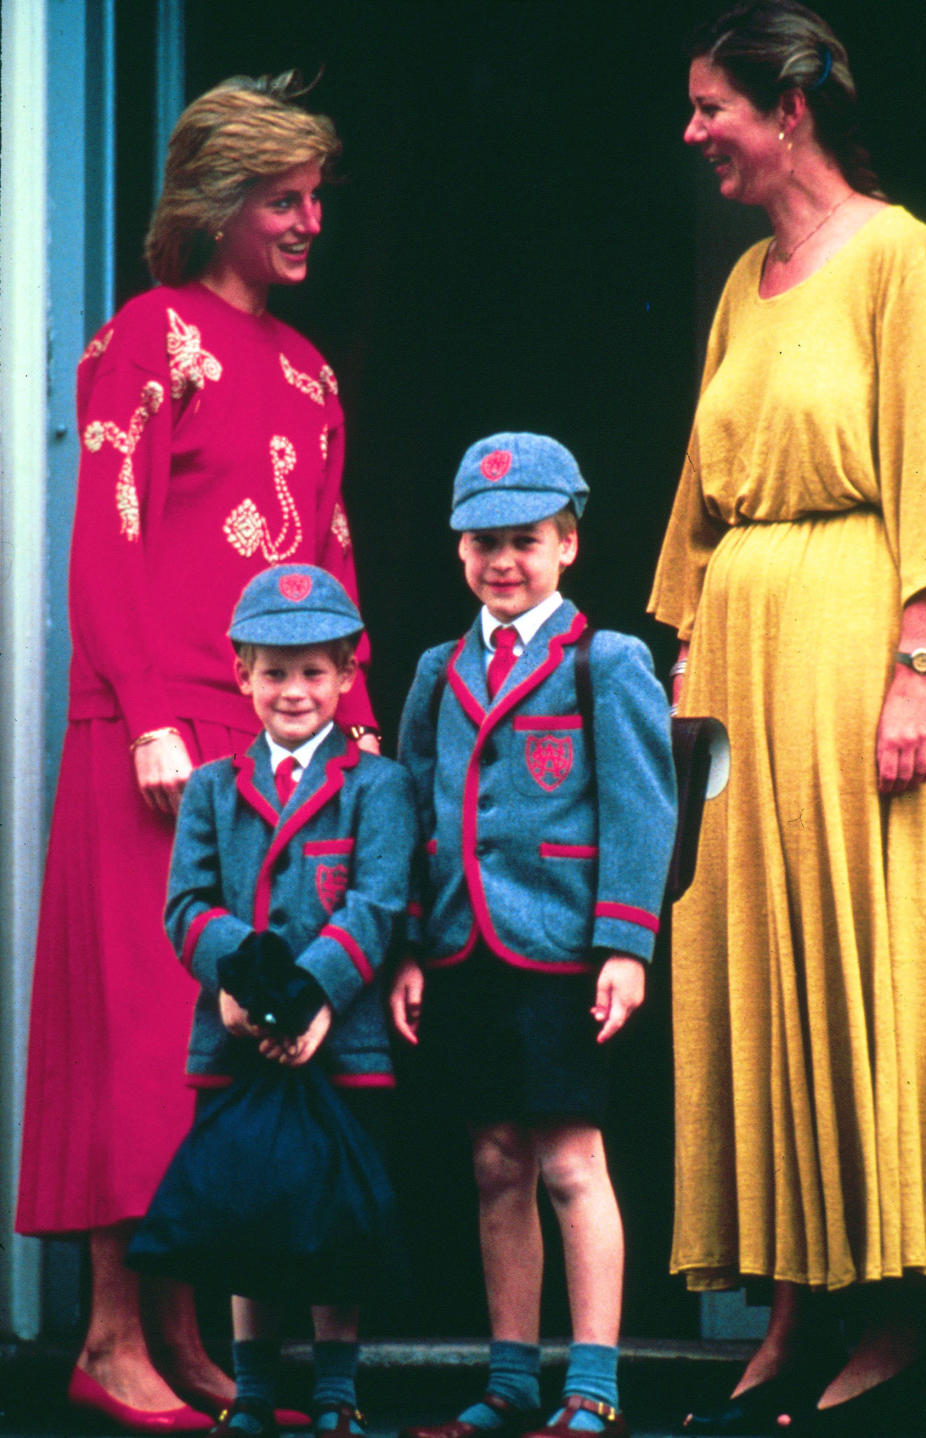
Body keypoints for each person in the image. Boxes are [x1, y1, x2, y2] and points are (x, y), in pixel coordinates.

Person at [16, 73, 380, 1432]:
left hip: (264, 740)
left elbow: (330, 558)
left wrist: (354, 725)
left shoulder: (310, 371)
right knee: (131, 1023)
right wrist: (149, 714)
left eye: (315, 198)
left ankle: (178, 1327)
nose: (309, 221)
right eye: (285, 198)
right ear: (222, 202)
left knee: (210, 1046)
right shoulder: (149, 339)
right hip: (153, 728)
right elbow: (103, 544)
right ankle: (111, 1333)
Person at [649, 2, 926, 1432]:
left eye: (716, 106)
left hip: (853, 640)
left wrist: (922, 663)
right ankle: (786, 1308)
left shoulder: (903, 261)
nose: (698, 131)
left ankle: (888, 1312)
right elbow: (700, 494)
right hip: (740, 656)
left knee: (857, 956)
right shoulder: (746, 280)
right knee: (752, 960)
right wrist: (682, 646)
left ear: (792, 113)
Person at [391, 433, 676, 1438]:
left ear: (568, 545)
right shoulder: (437, 670)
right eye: (481, 543)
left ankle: (590, 1382)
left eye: (523, 540)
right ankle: (510, 1379)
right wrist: (413, 945)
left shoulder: (608, 660)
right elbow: (417, 812)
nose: (501, 562)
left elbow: (642, 810)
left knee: (568, 1162)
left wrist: (625, 945)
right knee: (496, 1164)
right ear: (459, 551)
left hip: (563, 955)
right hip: (466, 950)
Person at [160, 563, 416, 1438]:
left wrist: (311, 1003)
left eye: (314, 672)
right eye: (274, 670)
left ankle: (339, 1392)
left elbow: (377, 904)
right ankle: (256, 1391)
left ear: (348, 675)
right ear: (242, 674)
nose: (294, 691)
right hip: (234, 1032)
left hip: (339, 1036)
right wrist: (242, 993)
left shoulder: (379, 787)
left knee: (330, 1217)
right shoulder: (211, 788)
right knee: (248, 1215)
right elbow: (187, 906)